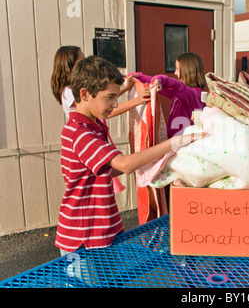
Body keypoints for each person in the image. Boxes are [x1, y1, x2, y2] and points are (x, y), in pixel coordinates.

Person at [55, 55, 207, 255]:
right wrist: (173, 143)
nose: (115, 104)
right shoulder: (80, 132)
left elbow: (109, 171)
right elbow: (125, 165)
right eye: (109, 97)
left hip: (101, 228)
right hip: (83, 238)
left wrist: (159, 164)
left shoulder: (94, 125)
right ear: (84, 94)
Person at [50, 45, 149, 118]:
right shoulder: (69, 92)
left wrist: (126, 88)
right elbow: (104, 107)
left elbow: (103, 99)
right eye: (82, 61)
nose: (86, 63)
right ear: (70, 66)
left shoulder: (72, 89)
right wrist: (137, 101)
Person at [134, 52, 207, 138]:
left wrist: (159, 79)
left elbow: (177, 85)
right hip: (175, 144)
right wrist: (139, 77)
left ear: (187, 71)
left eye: (177, 69)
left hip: (184, 146)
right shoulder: (180, 94)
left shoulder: (193, 95)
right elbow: (165, 87)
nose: (175, 73)